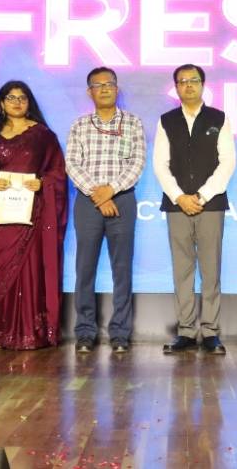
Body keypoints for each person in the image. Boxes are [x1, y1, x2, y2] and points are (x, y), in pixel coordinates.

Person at [0, 81, 68, 350]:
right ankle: (0, 332)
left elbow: (58, 172)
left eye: (22, 98)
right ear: (1, 103)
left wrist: (43, 183)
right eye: (11, 98)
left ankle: (32, 332)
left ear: (29, 102)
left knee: (31, 268)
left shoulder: (43, 135)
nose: (17, 102)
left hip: (32, 214)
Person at [154, 64, 236, 355]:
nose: (188, 85)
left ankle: (211, 331)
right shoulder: (166, 120)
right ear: (176, 87)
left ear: (203, 84)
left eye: (194, 80)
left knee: (211, 270)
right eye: (182, 81)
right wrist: (179, 197)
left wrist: (202, 195)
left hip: (210, 204)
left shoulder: (219, 118)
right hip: (177, 206)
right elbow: (160, 164)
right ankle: (186, 331)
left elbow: (227, 162)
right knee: (182, 270)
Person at [65, 67, 146, 354]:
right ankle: (85, 331)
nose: (105, 88)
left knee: (122, 268)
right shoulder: (79, 125)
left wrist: (110, 190)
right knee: (84, 267)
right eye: (98, 85)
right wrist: (98, 195)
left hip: (122, 199)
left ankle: (120, 332)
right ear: (90, 92)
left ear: (117, 88)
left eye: (109, 83)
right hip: (88, 201)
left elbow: (137, 162)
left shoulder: (133, 122)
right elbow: (72, 164)